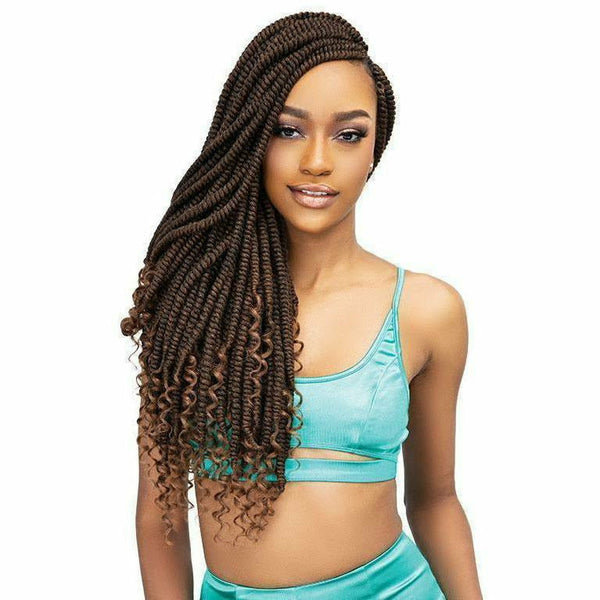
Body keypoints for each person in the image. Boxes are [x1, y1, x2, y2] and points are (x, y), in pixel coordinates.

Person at [122, 11, 483, 599]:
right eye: (288, 130)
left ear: (375, 150)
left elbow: (435, 500)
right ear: (250, 141)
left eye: (349, 135)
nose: (317, 160)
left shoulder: (426, 311)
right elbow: (159, 517)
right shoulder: (192, 304)